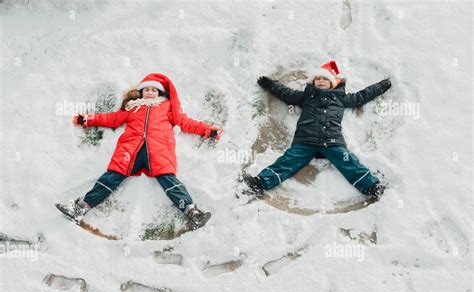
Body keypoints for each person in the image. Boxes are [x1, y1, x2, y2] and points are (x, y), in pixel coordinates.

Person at [56, 73, 222, 230]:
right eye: (147, 89)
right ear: (141, 92)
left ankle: (192, 212)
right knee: (111, 177)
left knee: (169, 181)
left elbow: (186, 123)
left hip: (157, 151)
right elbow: (111, 119)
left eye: (154, 90)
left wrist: (208, 131)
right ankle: (81, 208)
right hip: (131, 151)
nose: (150, 92)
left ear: (159, 92)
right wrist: (86, 119)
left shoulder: (167, 108)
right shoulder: (133, 108)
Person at [244, 60, 391, 200]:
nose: (320, 81)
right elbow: (285, 92)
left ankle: (372, 186)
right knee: (288, 161)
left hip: (332, 141)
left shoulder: (341, 98)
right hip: (305, 140)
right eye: (317, 78)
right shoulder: (306, 97)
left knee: (349, 162)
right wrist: (270, 84)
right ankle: (261, 183)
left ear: (332, 83)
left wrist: (381, 86)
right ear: (313, 82)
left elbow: (363, 95)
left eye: (324, 79)